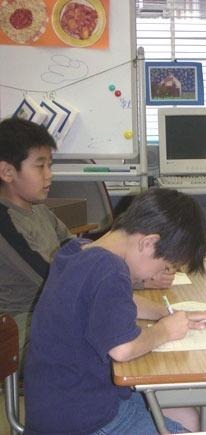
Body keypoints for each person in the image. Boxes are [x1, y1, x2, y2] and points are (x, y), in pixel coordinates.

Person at [24, 188, 206, 434]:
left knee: (187, 417)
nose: (159, 275)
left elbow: (120, 301)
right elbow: (123, 349)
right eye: (166, 266)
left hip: (58, 406)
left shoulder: (80, 249)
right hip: (83, 419)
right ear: (148, 243)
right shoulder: (110, 270)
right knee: (184, 424)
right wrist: (164, 331)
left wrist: (165, 314)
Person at [0, 117, 175, 366]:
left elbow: (84, 254)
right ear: (7, 171)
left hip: (57, 310)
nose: (49, 175)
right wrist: (140, 279)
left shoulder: (38, 210)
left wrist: (142, 273)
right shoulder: (5, 223)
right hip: (22, 327)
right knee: (116, 342)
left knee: (124, 330)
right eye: (40, 166)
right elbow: (65, 278)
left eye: (50, 165)